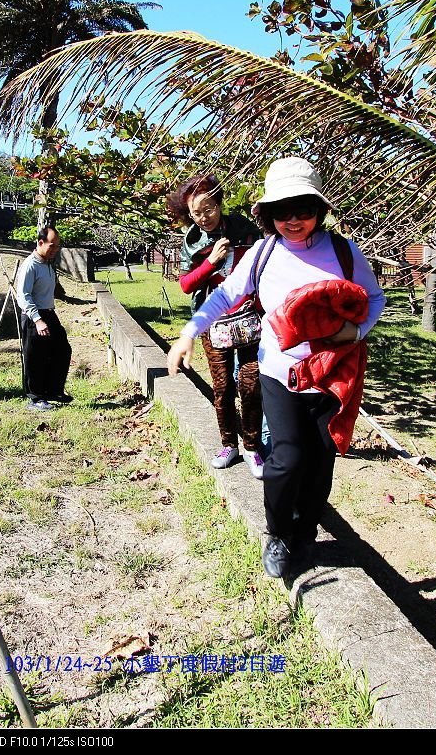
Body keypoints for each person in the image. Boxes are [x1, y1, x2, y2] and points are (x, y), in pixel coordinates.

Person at [167, 157, 387, 578]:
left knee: (322, 458)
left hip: (329, 372)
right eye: (282, 211)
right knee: (286, 458)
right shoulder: (263, 252)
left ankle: (306, 534)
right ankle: (279, 533)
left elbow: (374, 300)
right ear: (268, 215)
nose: (293, 220)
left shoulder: (343, 251)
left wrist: (355, 333)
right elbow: (224, 296)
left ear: (318, 210)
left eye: (303, 209)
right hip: (278, 370)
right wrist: (189, 334)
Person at [166, 173, 265, 478]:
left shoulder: (244, 229)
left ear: (220, 204)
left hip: (248, 318)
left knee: (251, 385)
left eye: (209, 209)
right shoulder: (192, 240)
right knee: (222, 389)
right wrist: (211, 263)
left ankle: (252, 447)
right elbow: (185, 285)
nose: (203, 217)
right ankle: (228, 445)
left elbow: (261, 265)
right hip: (212, 321)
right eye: (196, 212)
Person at [16, 226, 73, 412]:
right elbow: (23, 296)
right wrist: (38, 320)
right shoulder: (30, 265)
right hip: (34, 315)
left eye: (58, 246)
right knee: (35, 357)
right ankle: (35, 398)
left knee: (62, 350)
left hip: (49, 312)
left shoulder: (48, 263)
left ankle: (53, 391)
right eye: (52, 246)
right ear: (40, 243)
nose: (55, 250)